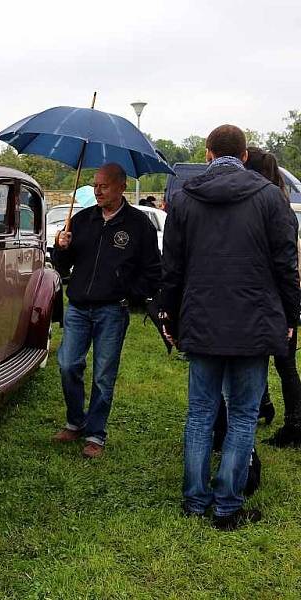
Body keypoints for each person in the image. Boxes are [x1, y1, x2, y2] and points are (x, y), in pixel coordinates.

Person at [161, 125, 300, 530]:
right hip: (253, 324)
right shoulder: (271, 198)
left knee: (200, 414)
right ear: (243, 155)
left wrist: (168, 315)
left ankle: (195, 501)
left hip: (202, 321)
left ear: (207, 154)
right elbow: (285, 266)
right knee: (241, 416)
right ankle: (226, 507)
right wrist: (290, 318)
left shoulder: (184, 199)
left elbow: (172, 268)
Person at [51, 162, 161, 458]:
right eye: (95, 185)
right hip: (77, 307)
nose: (97, 191)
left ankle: (96, 433)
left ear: (121, 187)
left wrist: (129, 294)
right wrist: (60, 246)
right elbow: (62, 266)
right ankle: (75, 420)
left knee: (103, 375)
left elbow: (153, 271)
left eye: (104, 186)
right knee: (68, 365)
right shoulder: (83, 220)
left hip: (112, 310)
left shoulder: (139, 225)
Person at [246, 146, 301, 447]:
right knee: (264, 357)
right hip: (273, 293)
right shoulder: (276, 203)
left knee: (284, 362)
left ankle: (295, 424)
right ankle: (264, 405)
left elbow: (285, 264)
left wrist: (291, 312)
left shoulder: (274, 208)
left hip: (277, 294)